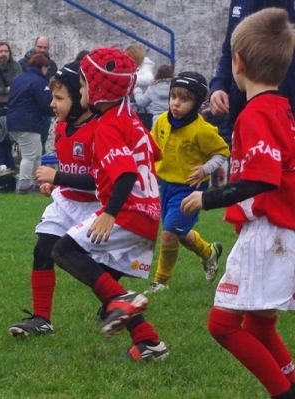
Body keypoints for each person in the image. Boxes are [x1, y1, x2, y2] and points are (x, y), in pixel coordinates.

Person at [181, 8, 295, 398]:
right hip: (277, 232)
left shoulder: (256, 114)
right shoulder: (281, 109)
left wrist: (207, 197)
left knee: (222, 327)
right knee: (260, 326)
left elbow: (262, 178)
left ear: (238, 63)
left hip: (267, 235)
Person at [51, 48, 169, 361]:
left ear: (100, 89)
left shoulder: (106, 128)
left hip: (127, 213)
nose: (82, 91)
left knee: (64, 251)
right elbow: (153, 153)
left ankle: (122, 300)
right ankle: (149, 343)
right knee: (101, 275)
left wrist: (109, 214)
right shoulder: (129, 117)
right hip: (148, 214)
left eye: (85, 84)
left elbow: (126, 173)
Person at [8, 61, 100, 336]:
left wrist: (57, 178)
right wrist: (55, 183)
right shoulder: (62, 128)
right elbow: (72, 168)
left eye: (60, 98)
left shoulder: (99, 131)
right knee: (42, 250)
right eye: (52, 97)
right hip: (66, 202)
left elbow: (100, 181)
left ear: (81, 98)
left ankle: (118, 302)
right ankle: (41, 319)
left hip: (96, 207)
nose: (52, 104)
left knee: (98, 264)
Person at [146, 72, 230, 294]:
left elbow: (222, 153)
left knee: (169, 233)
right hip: (166, 186)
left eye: (185, 99)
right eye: (174, 96)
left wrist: (204, 169)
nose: (176, 103)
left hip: (189, 189)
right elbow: (151, 147)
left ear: (197, 103)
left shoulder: (203, 130)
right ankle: (209, 252)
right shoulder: (162, 121)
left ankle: (160, 282)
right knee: (179, 233)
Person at [209, 0, 295, 126]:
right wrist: (219, 86)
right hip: (238, 109)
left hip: (281, 110)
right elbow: (230, 50)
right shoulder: (238, 2)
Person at [7, 53, 53, 193]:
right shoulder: (39, 82)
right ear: (43, 67)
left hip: (13, 122)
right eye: (47, 68)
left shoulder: (18, 78)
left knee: (36, 153)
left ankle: (37, 181)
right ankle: (25, 184)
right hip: (28, 123)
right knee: (29, 156)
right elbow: (45, 103)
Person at [18, 36, 59, 152]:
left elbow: (55, 85)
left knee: (42, 140)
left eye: (45, 47)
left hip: (45, 109)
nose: (42, 50)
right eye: (39, 47)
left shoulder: (52, 65)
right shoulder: (22, 64)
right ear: (34, 46)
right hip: (28, 110)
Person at [125, 43, 155, 130]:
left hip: (142, 108)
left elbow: (149, 78)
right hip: (131, 105)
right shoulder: (132, 67)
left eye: (128, 56)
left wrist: (130, 78)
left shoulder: (145, 67)